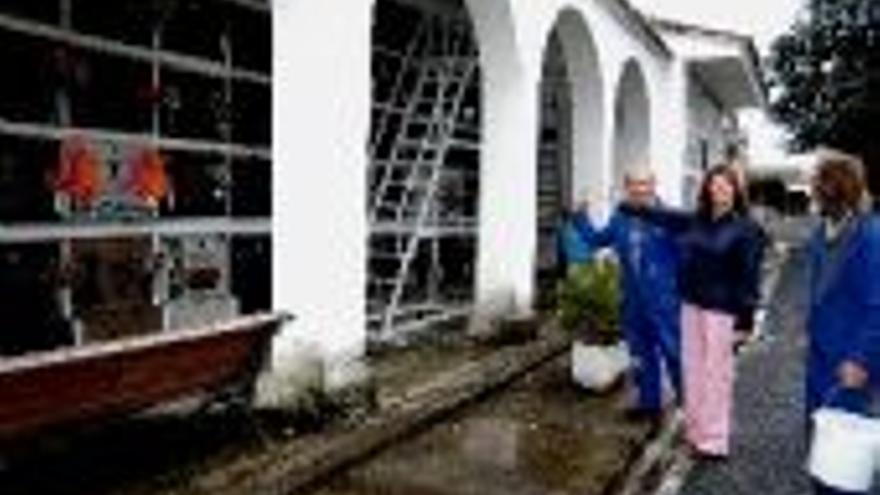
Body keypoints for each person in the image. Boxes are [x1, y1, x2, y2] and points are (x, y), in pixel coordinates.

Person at [622, 164, 765, 459]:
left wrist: (745, 321)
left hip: (721, 313)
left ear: (737, 190)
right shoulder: (697, 220)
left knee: (716, 376)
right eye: (714, 184)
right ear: (707, 189)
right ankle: (696, 432)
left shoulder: (747, 228)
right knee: (694, 372)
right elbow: (663, 215)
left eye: (726, 185)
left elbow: (749, 278)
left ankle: (714, 441)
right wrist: (632, 207)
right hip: (691, 307)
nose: (719, 190)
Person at [571, 168, 682, 424]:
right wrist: (580, 216)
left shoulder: (669, 217)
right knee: (641, 355)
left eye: (645, 184)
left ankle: (691, 407)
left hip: (665, 301)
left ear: (654, 185)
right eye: (634, 184)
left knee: (674, 354)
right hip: (633, 301)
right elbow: (597, 240)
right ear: (626, 187)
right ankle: (649, 404)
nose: (640, 189)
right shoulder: (621, 216)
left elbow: (687, 256)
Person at [804, 151, 880, 495]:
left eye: (818, 184)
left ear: (837, 189)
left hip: (851, 363)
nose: (812, 191)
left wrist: (860, 359)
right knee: (821, 442)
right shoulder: (823, 230)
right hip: (820, 357)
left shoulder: (870, 236)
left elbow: (875, 305)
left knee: (846, 455)